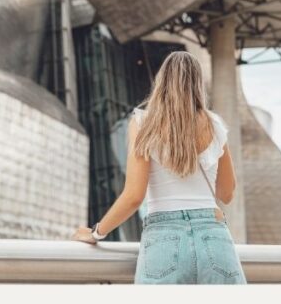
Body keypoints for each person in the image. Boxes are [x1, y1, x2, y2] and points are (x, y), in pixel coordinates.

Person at [72, 51, 245, 284]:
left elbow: (134, 197)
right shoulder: (215, 125)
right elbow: (227, 193)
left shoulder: (143, 123)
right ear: (198, 84)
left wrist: (96, 233)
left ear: (161, 81)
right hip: (214, 237)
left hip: (164, 238)